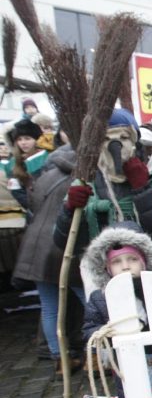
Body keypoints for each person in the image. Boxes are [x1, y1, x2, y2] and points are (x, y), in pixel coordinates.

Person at [55, 109, 152, 290]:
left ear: (135, 142)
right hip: (104, 281)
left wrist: (143, 190)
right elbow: (64, 242)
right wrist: (70, 210)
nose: (115, 146)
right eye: (106, 139)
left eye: (124, 138)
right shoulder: (87, 185)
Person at [81, 222, 152, 398]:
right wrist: (102, 333)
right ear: (107, 268)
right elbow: (88, 330)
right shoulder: (100, 299)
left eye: (132, 259)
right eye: (117, 262)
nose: (125, 265)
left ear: (144, 261)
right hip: (126, 368)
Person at [11, 142, 85, 370]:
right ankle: (97, 355)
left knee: (50, 306)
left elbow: (31, 204)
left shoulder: (44, 174)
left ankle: (60, 358)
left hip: (36, 246)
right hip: (63, 244)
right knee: (90, 300)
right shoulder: (81, 176)